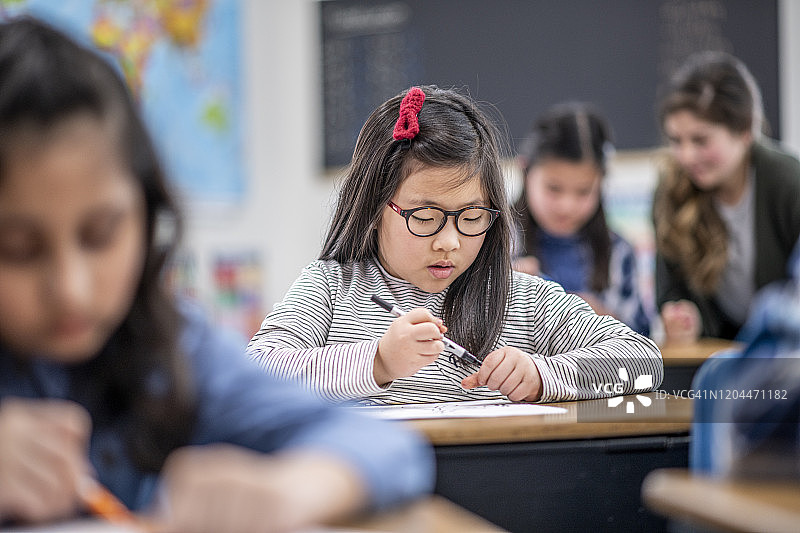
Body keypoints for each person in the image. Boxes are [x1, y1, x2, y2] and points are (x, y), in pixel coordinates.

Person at [0, 17, 433, 532]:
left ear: (149, 214)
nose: (72, 290)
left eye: (101, 235)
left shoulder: (169, 347)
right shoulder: (325, 283)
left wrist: (288, 492)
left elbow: (388, 449)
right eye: (18, 250)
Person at [247, 85, 662, 404]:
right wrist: (378, 361)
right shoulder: (332, 288)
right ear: (374, 209)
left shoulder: (520, 297)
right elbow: (257, 374)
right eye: (424, 218)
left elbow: (643, 363)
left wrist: (543, 376)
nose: (449, 242)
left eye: (472, 218)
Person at [652, 51, 800, 344]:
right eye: (676, 140)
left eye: (700, 140)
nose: (686, 156)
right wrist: (683, 317)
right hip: (720, 354)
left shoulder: (787, 181)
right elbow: (671, 290)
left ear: (745, 131)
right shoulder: (670, 191)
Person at [512, 102, 651, 336]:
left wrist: (604, 320)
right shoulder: (492, 241)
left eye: (584, 191)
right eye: (554, 188)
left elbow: (642, 341)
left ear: (601, 182)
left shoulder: (619, 253)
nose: (566, 206)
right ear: (525, 171)